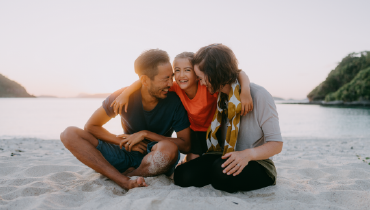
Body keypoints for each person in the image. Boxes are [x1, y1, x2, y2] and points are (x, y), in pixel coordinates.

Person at [60, 49, 191, 190]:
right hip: (125, 152)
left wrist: (145, 134)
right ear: (145, 80)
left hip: (155, 158)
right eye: (165, 79)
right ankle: (122, 180)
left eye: (171, 77)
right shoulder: (123, 97)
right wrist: (122, 141)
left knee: (169, 150)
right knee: (69, 133)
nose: (171, 84)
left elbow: (185, 145)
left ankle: (131, 175)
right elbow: (91, 126)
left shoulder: (175, 101)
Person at [174, 44, 284, 193]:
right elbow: (239, 74)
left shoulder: (259, 95)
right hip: (223, 155)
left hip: (256, 162)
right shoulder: (219, 97)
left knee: (220, 174)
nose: (202, 83)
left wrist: (247, 155)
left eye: (202, 77)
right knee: (182, 176)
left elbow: (277, 144)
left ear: (214, 74)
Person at [110, 52, 253, 163]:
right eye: (177, 70)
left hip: (213, 132)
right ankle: (187, 160)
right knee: (192, 163)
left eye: (187, 70)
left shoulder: (207, 87)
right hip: (194, 133)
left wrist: (245, 90)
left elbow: (238, 73)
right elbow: (145, 80)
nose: (181, 75)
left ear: (197, 74)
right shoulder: (175, 87)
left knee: (214, 162)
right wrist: (126, 93)